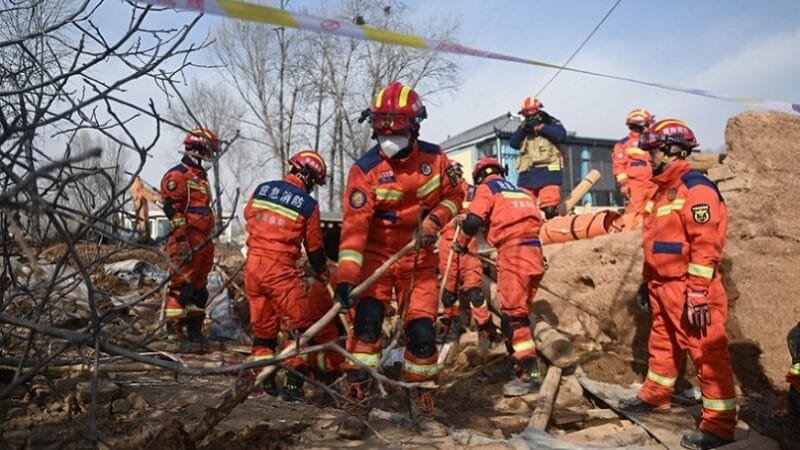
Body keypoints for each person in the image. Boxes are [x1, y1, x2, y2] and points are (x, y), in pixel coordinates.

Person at [333, 81, 462, 439]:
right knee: (367, 327)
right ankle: (357, 401)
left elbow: (455, 196)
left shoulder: (436, 160)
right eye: (381, 129)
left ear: (415, 126)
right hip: (376, 260)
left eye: (397, 129)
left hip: (419, 260)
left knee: (422, 334)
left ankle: (422, 405)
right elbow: (355, 229)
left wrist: (434, 221)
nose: (388, 137)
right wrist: (346, 278)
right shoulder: (365, 170)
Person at [620, 119, 736, 450]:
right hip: (663, 286)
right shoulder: (662, 192)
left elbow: (706, 245)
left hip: (691, 288)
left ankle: (719, 424)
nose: (648, 157)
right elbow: (656, 243)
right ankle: (656, 395)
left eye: (654, 150)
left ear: (674, 149)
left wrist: (698, 292)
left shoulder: (696, 188)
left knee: (708, 352)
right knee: (663, 341)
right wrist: (647, 283)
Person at [243, 149, 338, 401]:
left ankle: (265, 383)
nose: (313, 187)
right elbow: (315, 249)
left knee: (264, 330)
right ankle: (293, 387)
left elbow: (248, 218)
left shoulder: (263, 189)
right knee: (301, 329)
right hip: (280, 273)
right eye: (315, 182)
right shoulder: (307, 205)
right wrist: (322, 272)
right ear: (308, 177)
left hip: (252, 269)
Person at [452, 157, 546, 396]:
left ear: (479, 176)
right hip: (534, 252)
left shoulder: (488, 188)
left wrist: (461, 244)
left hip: (514, 254)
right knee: (516, 313)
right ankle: (517, 364)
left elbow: (474, 220)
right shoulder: (521, 192)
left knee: (514, 317)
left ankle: (530, 374)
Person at [160, 128, 218, 349]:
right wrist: (182, 240)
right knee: (181, 287)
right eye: (208, 151)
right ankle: (173, 332)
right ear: (197, 149)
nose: (210, 156)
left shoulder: (201, 178)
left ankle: (194, 332)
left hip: (204, 241)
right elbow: (172, 210)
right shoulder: (177, 176)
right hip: (186, 240)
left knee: (198, 290)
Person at [437, 160, 496, 350]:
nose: (454, 176)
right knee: (448, 291)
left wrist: (468, 218)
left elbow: (483, 214)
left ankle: (485, 329)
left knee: (475, 291)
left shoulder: (473, 191)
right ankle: (452, 326)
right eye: (450, 173)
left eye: (456, 172)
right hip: (447, 242)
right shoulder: (438, 193)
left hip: (467, 243)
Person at [508, 97, 567, 219]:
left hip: (549, 170)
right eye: (527, 115)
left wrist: (541, 128)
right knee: (524, 210)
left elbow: (561, 136)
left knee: (550, 208)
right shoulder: (523, 128)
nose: (530, 118)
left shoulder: (551, 122)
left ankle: (552, 231)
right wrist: (524, 129)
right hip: (527, 173)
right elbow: (513, 143)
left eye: (533, 115)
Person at [613, 109, 658, 229]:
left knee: (653, 213)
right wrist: (623, 184)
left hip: (654, 184)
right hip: (635, 186)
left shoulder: (653, 142)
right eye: (648, 124)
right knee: (633, 214)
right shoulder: (623, 144)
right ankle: (628, 240)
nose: (649, 127)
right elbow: (619, 166)